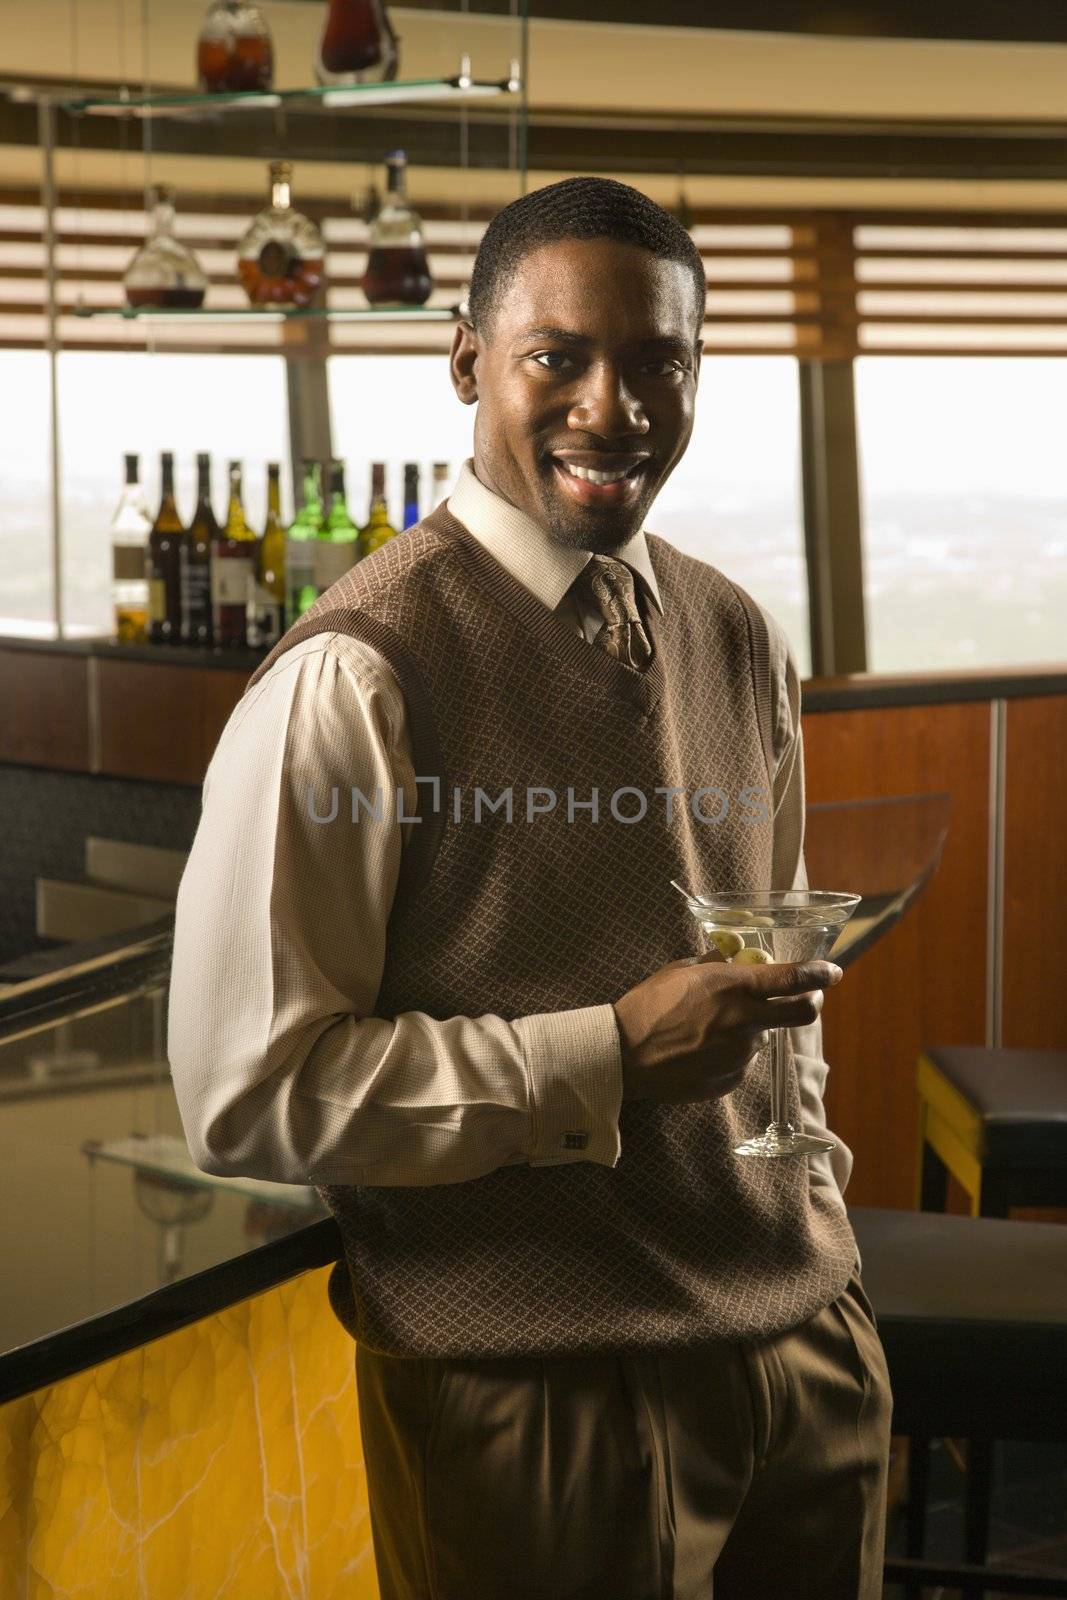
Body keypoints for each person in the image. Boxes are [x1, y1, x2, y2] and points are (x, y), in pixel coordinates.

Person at [168, 175, 892, 1600]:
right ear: (465, 363)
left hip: (806, 1358)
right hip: (536, 1400)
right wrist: (612, 1054)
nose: (613, 406)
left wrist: (828, 1258)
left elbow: (779, 1001)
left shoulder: (739, 634)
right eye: (559, 356)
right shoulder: (353, 674)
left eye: (657, 361)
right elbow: (247, 1092)